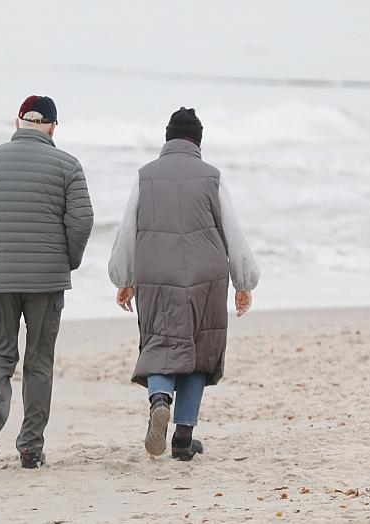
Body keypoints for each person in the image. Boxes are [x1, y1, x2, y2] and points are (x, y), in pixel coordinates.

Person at [108, 107, 259, 461]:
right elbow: (232, 231)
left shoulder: (145, 176)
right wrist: (244, 282)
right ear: (198, 141)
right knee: (199, 351)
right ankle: (183, 437)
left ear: (167, 138)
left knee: (161, 343)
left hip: (156, 273)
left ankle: (160, 400)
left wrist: (123, 277)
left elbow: (128, 227)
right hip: (205, 276)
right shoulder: (212, 177)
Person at [0, 95, 94, 468]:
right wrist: (68, 261)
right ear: (52, 126)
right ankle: (30, 448)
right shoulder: (68, 165)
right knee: (38, 361)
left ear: (17, 123)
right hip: (46, 280)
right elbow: (82, 220)